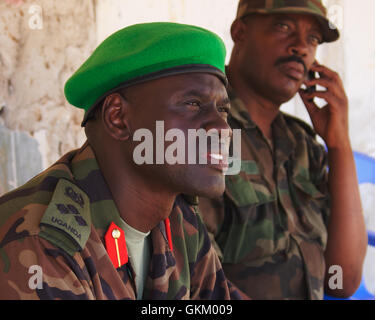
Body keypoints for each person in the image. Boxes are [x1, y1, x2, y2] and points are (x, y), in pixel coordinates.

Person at [0, 22, 242, 300]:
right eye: (192, 104)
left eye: (222, 109)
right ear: (118, 117)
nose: (222, 128)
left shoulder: (181, 219)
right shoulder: (41, 240)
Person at [199, 0, 367, 299]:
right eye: (283, 26)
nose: (301, 47)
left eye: (313, 39)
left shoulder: (302, 144)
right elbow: (193, 280)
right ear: (240, 32)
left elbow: (342, 279)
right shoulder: (200, 128)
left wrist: (339, 144)